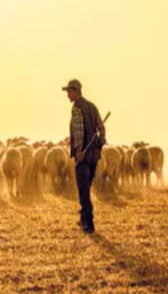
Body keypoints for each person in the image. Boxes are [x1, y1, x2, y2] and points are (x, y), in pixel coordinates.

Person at [62, 79, 105, 234]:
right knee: (87, 186)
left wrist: (79, 151)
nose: (68, 95)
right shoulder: (92, 107)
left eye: (69, 92)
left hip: (84, 156)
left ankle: (89, 222)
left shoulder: (77, 108)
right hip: (94, 155)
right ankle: (83, 218)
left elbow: (78, 131)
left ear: (77, 91)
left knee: (83, 189)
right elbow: (101, 127)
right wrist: (100, 143)